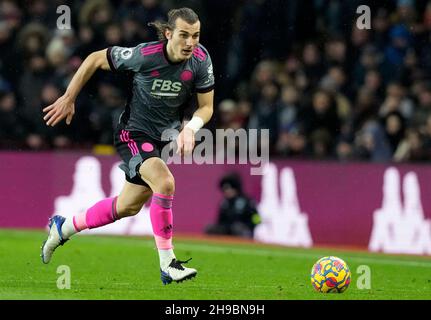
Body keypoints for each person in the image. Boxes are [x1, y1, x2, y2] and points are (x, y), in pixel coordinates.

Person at [40, 7, 215, 285]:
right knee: (165, 183)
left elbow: (206, 108)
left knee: (127, 207)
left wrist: (190, 128)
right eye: (184, 35)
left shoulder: (201, 60)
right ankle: (168, 264)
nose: (190, 42)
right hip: (132, 133)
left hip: (162, 140)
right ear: (169, 34)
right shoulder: (145, 56)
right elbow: (96, 58)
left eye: (195, 35)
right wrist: (69, 96)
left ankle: (63, 227)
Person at [205, 173, 260, 238]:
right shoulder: (224, 203)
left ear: (235, 188)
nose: (226, 191)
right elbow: (220, 221)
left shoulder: (247, 201)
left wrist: (250, 227)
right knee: (209, 228)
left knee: (237, 228)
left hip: (243, 230)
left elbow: (257, 218)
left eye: (228, 188)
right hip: (227, 230)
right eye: (224, 189)